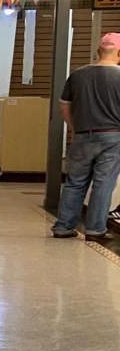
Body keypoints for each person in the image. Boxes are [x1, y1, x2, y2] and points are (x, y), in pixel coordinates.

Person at [53, 33, 120, 239]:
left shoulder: (78, 75)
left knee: (75, 182)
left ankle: (63, 227)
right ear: (118, 53)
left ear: (98, 51)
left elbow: (64, 105)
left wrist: (74, 127)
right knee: (103, 183)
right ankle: (95, 229)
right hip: (113, 137)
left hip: (83, 135)